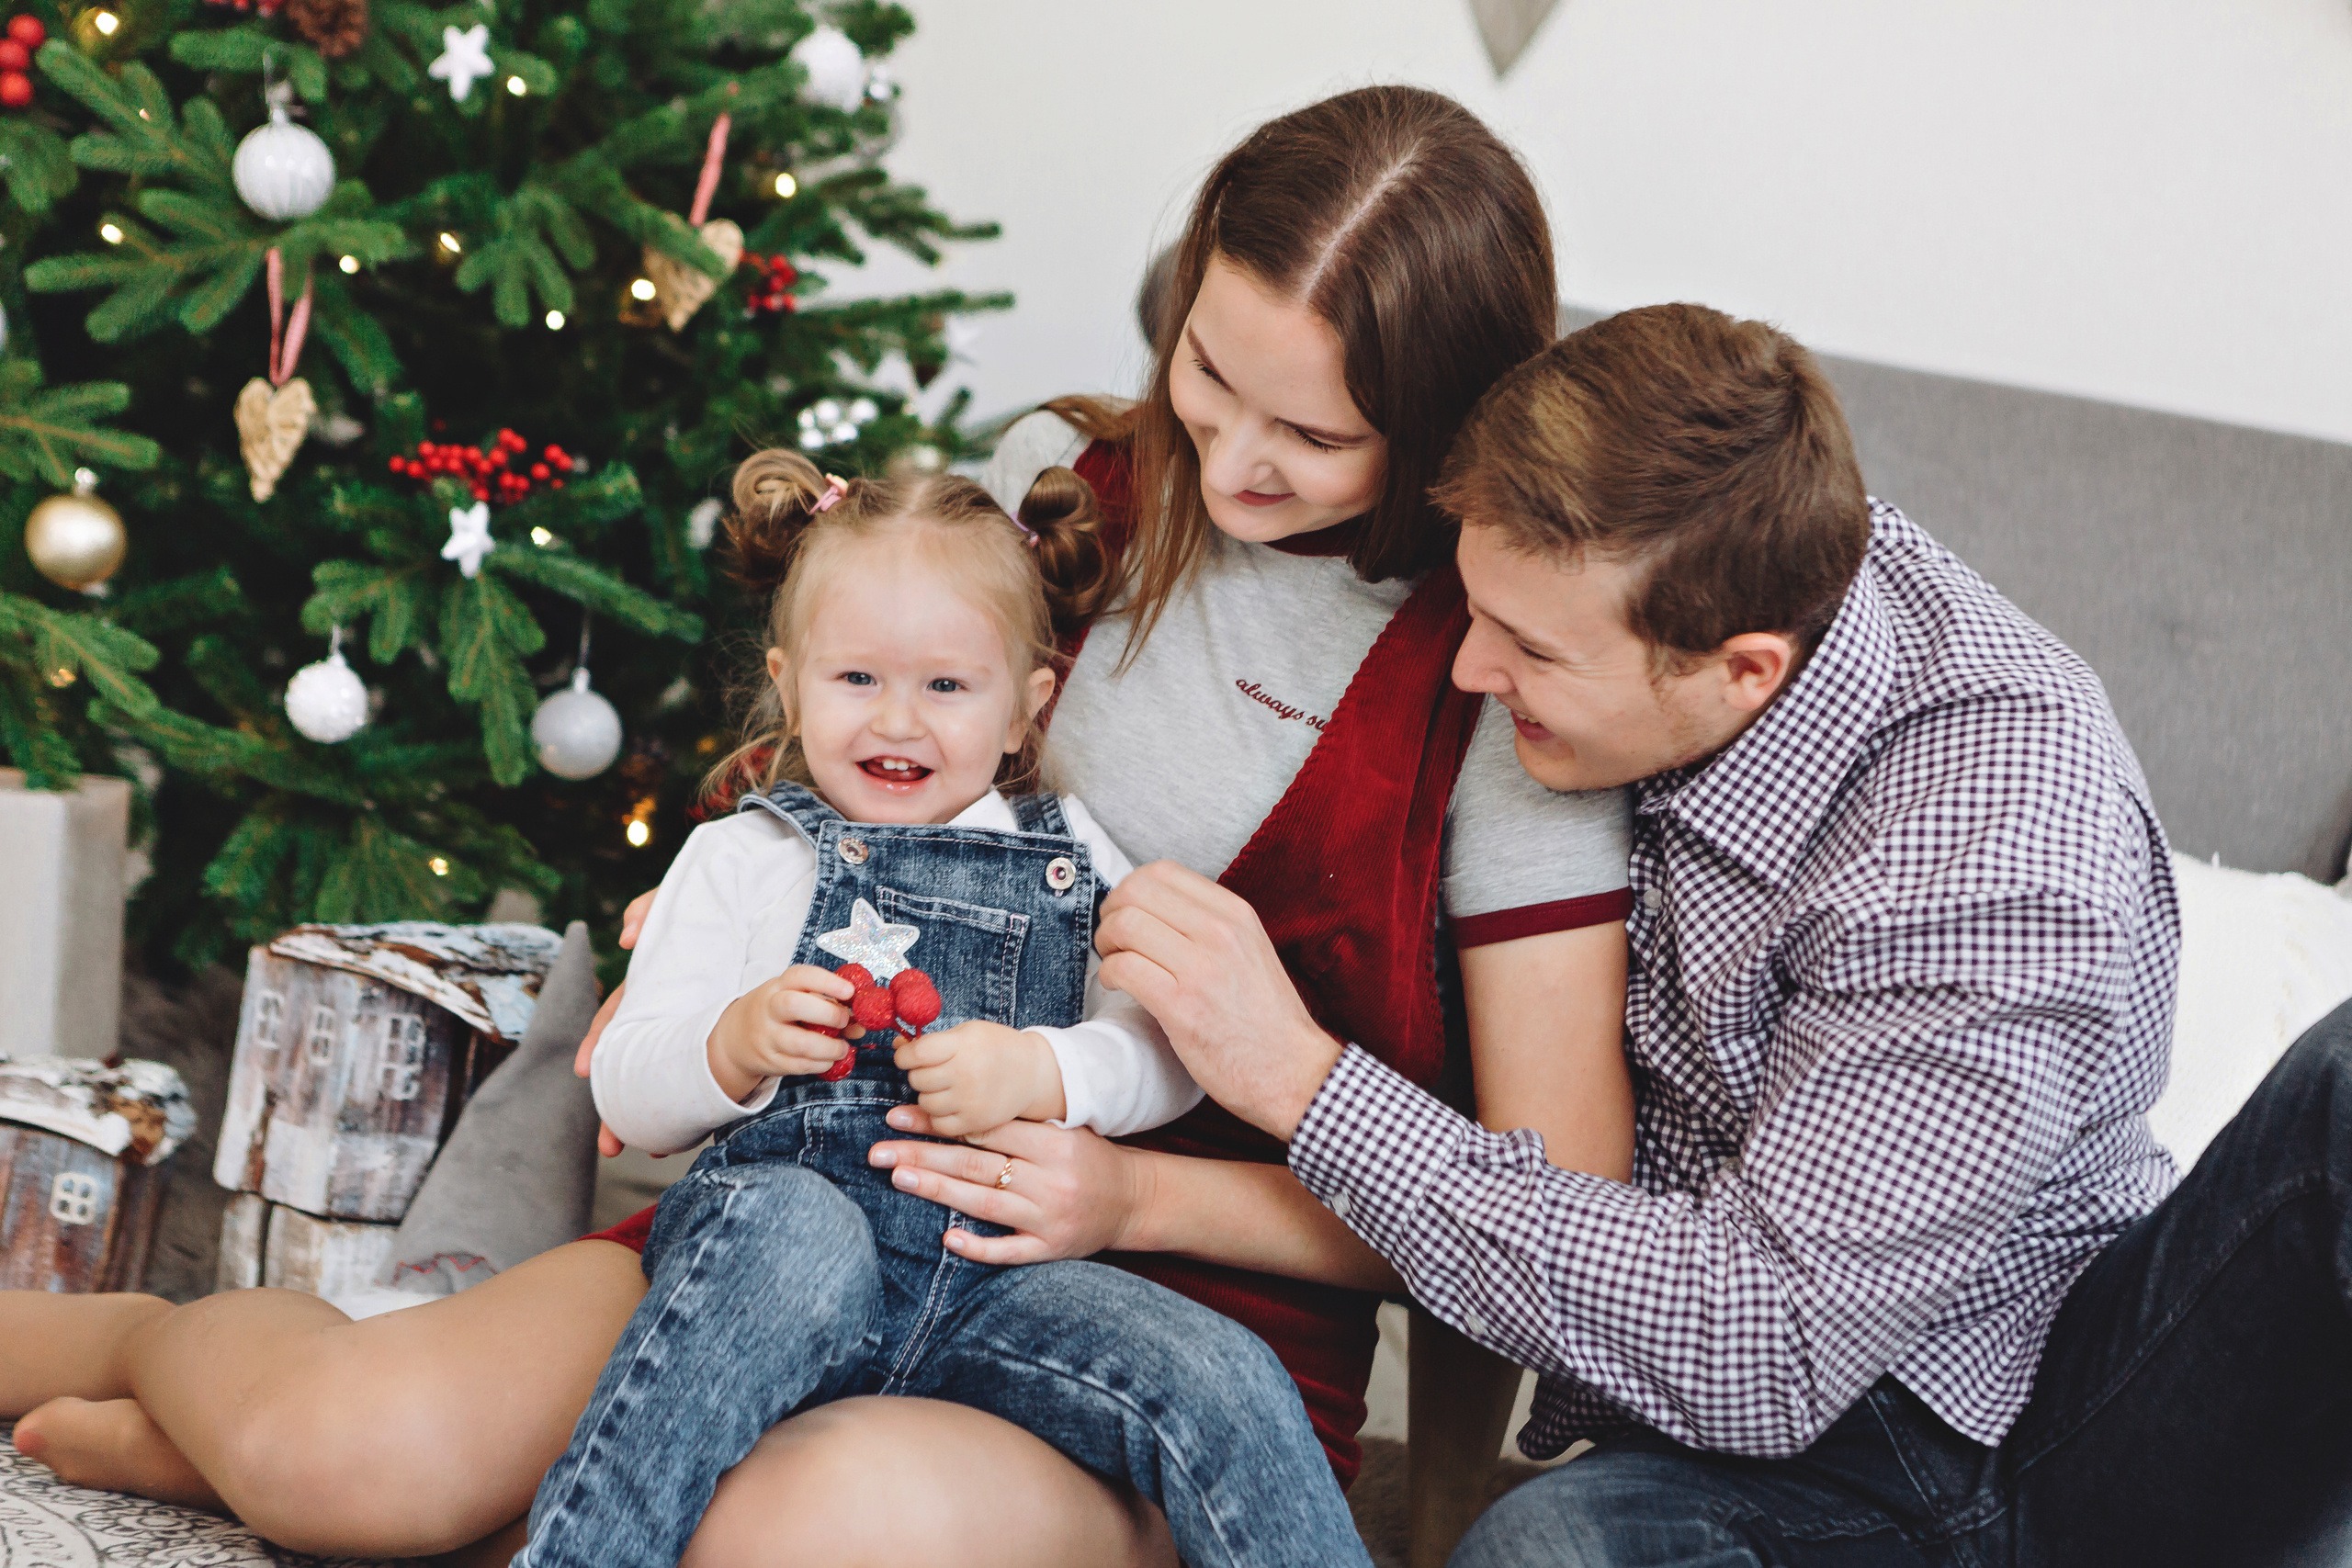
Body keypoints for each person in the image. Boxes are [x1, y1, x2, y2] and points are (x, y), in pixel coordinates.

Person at [0, 85, 1634, 1563]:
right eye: (1208, 372)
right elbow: (870, 731)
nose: (1231, 460)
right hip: (802, 1209)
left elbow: (1558, 1221)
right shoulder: (1062, 482)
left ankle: (366, 1487)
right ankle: (158, 1346)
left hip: (1164, 1311)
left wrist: (1136, 1201)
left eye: (1317, 434)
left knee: (777, 1533)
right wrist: (734, 908)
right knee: (348, 1456)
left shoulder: (1501, 670)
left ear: (1441, 423)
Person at [1040, 300, 2352, 1566]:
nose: (1468, 672)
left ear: (1742, 670)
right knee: (1540, 1553)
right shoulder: (1699, 552)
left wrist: (1304, 1083)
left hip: (2051, 1413)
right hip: (1750, 1464)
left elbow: (1763, 1344)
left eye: (1529, 651)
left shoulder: (1996, 849)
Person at [516, 450, 1367, 1568]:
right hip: (779, 1268)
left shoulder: (1068, 857)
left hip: (998, 1284)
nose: (898, 722)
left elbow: (1165, 1048)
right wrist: (731, 1045)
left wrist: (1048, 1073)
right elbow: (627, 1090)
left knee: (1222, 1375)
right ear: (788, 684)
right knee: (797, 1231)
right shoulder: (740, 856)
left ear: (1026, 707)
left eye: (947, 687)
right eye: (856, 679)